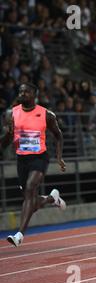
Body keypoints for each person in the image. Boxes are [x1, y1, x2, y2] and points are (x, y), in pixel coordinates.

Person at [0, 83, 66, 247]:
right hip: (22, 160)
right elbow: (6, 141)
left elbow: (58, 136)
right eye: (20, 91)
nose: (22, 93)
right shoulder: (12, 114)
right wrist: (8, 135)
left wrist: (59, 157)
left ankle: (19, 235)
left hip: (39, 158)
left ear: (34, 94)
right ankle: (52, 198)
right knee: (31, 201)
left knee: (30, 188)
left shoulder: (46, 114)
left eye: (26, 91)